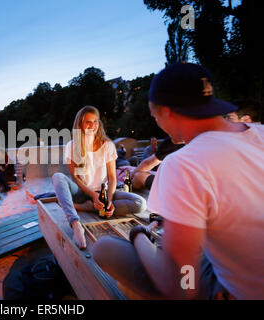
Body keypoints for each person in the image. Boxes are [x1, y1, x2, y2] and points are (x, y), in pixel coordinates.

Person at [93, 63, 264, 299]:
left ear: (167, 112)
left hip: (237, 292)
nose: (157, 124)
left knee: (104, 248)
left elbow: (183, 285)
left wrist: (140, 235)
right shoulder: (260, 132)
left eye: (155, 117)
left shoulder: (184, 163)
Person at [52, 106, 147, 249]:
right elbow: (75, 177)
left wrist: (109, 200)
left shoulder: (107, 145)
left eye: (95, 121)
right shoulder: (72, 146)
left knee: (140, 204)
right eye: (88, 122)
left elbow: (112, 177)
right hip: (82, 192)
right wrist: (91, 194)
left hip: (103, 193)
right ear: (80, 124)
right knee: (58, 176)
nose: (93, 126)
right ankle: (76, 223)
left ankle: (88, 208)